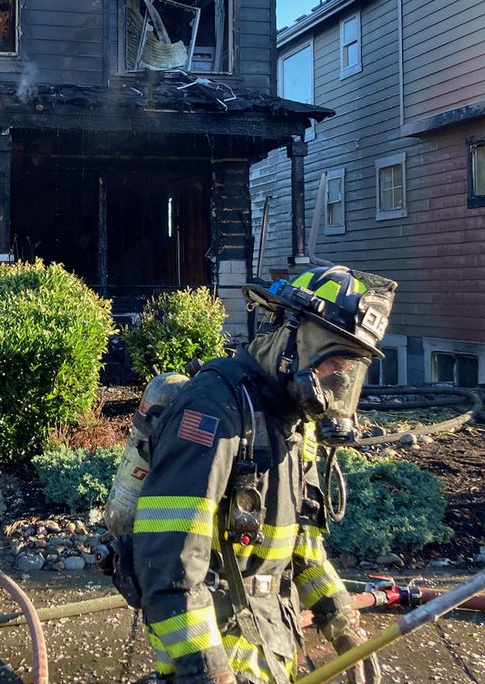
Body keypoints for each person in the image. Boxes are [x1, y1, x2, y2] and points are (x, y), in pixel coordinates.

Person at [130, 265, 395, 684]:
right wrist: (207, 668)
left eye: (349, 368)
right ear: (287, 335)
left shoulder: (295, 422)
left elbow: (303, 545)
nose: (338, 383)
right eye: (332, 360)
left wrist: (341, 621)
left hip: (269, 637)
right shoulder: (213, 411)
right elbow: (168, 561)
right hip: (211, 644)